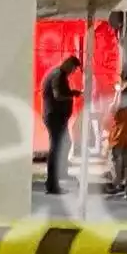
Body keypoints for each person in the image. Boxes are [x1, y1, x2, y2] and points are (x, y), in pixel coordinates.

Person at [41, 56, 82, 195]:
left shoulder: (58, 74)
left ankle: (61, 172)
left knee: (66, 143)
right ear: (69, 64)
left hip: (57, 117)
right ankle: (52, 184)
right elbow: (58, 95)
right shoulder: (58, 75)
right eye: (74, 69)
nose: (73, 72)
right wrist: (73, 94)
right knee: (57, 149)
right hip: (55, 117)